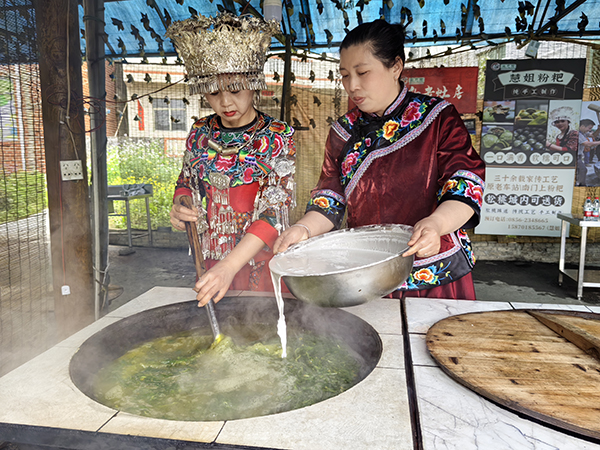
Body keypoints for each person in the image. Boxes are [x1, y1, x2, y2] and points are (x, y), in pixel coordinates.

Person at [273, 19, 485, 300]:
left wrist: (436, 224)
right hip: (367, 272)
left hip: (433, 269)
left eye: (363, 72)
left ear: (395, 66)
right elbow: (330, 198)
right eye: (345, 75)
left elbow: (465, 184)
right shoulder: (343, 131)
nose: (352, 85)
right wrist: (303, 229)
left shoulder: (438, 118)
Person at [166, 13, 296, 306]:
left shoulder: (277, 135)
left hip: (260, 262)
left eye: (235, 90)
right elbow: (186, 183)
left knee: (262, 325)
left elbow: (274, 213)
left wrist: (230, 266)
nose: (225, 102)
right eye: (213, 92)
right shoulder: (200, 131)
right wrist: (180, 208)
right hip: (212, 262)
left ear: (254, 83)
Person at [576, 119, 600, 185]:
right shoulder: (578, 134)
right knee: (582, 170)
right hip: (575, 156)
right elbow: (588, 144)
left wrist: (598, 129)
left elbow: (593, 135)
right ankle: (581, 185)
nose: (590, 130)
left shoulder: (583, 133)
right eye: (589, 128)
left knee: (581, 170)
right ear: (582, 126)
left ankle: (579, 183)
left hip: (579, 155)